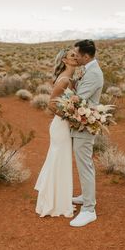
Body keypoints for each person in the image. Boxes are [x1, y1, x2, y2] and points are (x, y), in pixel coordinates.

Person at [34, 48, 78, 217]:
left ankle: (61, 201)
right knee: (59, 160)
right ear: (65, 60)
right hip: (60, 126)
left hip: (64, 125)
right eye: (72, 55)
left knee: (62, 161)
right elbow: (51, 104)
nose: (76, 57)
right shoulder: (64, 80)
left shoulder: (71, 78)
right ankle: (54, 203)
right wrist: (70, 117)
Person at [70, 39, 104, 227]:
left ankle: (89, 209)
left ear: (86, 56)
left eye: (77, 54)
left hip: (85, 123)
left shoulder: (93, 73)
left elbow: (78, 99)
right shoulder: (87, 69)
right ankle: (86, 197)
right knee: (83, 163)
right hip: (80, 123)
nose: (75, 57)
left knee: (85, 165)